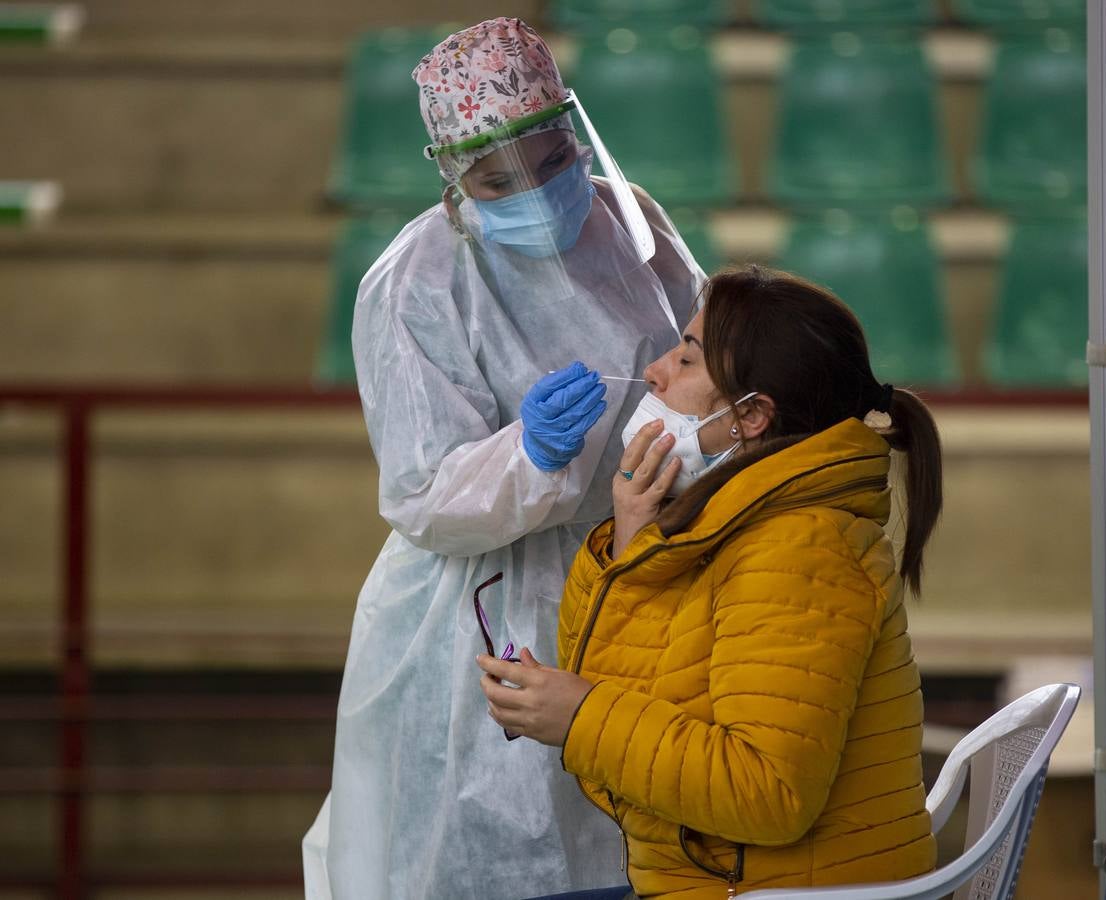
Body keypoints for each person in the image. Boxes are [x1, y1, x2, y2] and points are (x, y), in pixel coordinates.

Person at [302, 18, 703, 899]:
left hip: (640, 567)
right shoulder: (416, 279)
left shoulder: (634, 228)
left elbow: (706, 374)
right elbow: (421, 496)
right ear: (450, 174)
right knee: (486, 844)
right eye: (495, 179)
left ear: (575, 128)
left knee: (637, 844)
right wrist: (528, 453)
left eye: (553, 160)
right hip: (482, 611)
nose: (534, 191)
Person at [479, 266, 944, 899]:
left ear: (749, 417)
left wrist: (581, 714)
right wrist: (632, 538)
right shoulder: (744, 521)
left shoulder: (799, 550)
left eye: (686, 361)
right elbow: (643, 674)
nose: (655, 373)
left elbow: (764, 794)